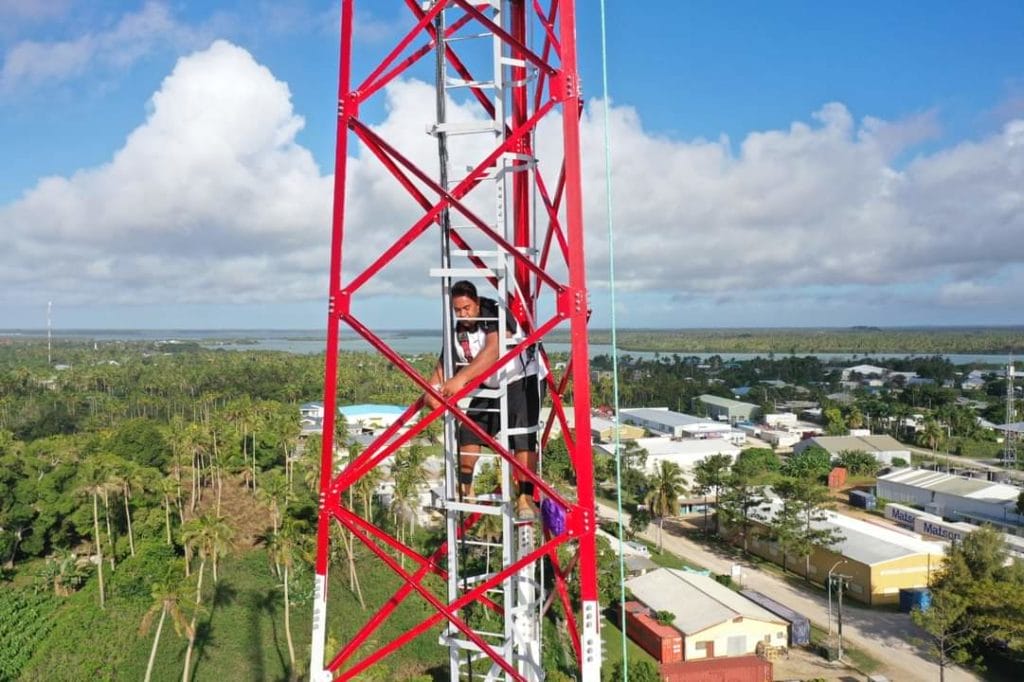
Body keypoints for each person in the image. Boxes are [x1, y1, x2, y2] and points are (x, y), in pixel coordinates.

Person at [425, 280, 543, 520]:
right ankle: (465, 487)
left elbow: (494, 349)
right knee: (468, 432)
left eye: (467, 308)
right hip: (491, 385)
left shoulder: (493, 312)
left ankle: (525, 496)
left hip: (522, 378)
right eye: (457, 310)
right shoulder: (456, 330)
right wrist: (431, 391)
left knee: (522, 436)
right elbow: (443, 365)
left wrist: (461, 379)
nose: (463, 314)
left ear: (476, 303)